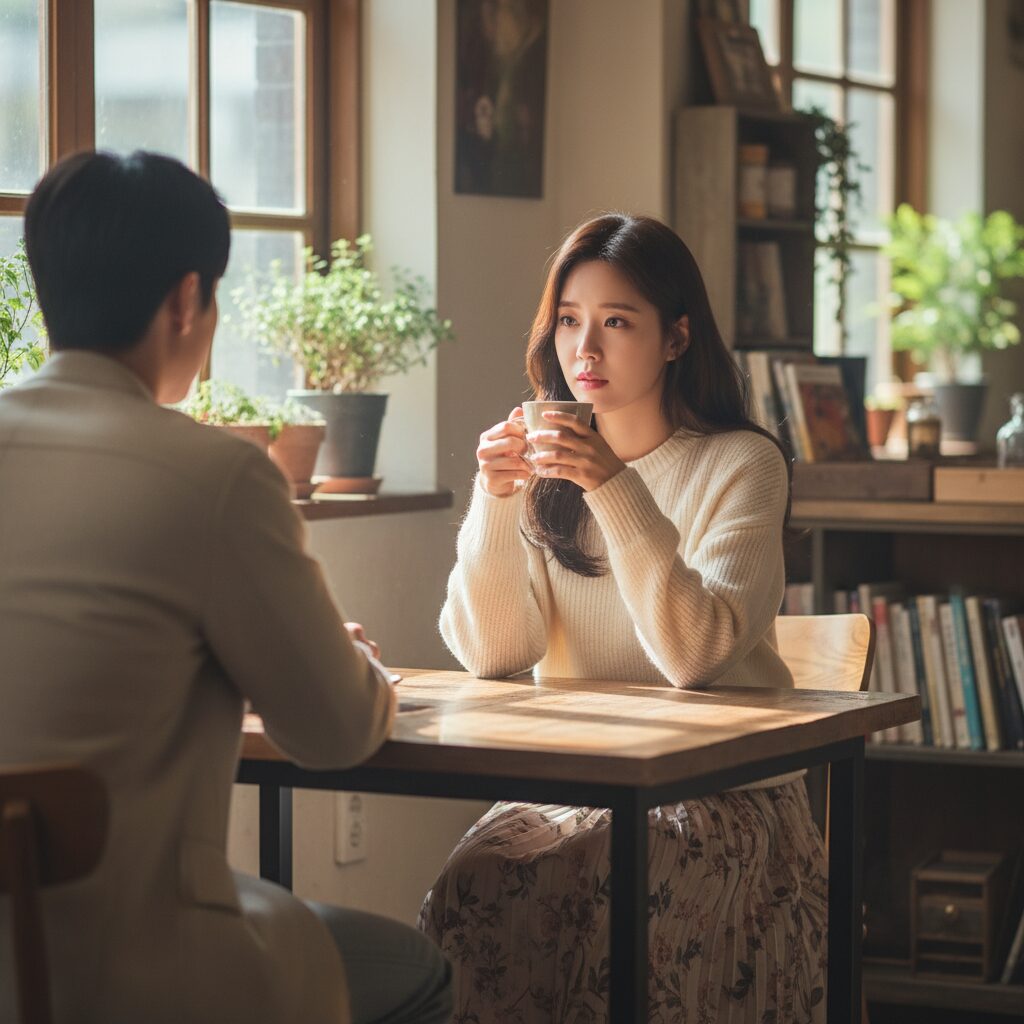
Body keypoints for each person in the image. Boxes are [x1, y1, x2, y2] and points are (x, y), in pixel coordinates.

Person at [0, 151, 451, 1024]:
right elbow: (336, 731)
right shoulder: (213, 476)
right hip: (126, 969)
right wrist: (348, 666)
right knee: (413, 970)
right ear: (184, 301)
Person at [419, 213, 827, 1023]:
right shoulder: (548, 469)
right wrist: (497, 501)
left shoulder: (743, 464)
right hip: (582, 784)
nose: (586, 351)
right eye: (570, 321)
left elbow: (695, 655)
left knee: (616, 890)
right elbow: (496, 654)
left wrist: (613, 487)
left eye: (617, 322)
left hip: (728, 793)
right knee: (476, 882)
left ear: (676, 338)